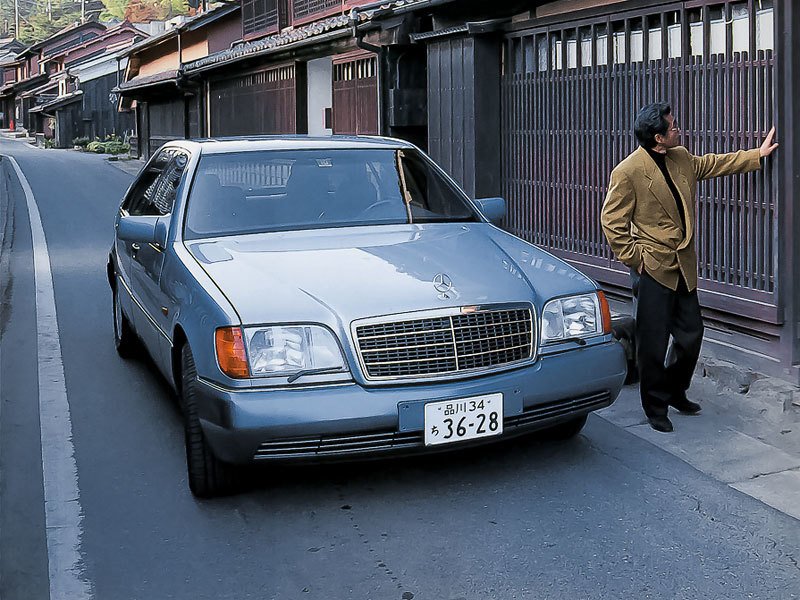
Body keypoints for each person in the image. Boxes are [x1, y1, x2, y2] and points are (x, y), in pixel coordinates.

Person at [600, 102, 778, 432]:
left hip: (682, 263)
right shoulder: (628, 171)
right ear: (658, 137)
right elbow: (612, 221)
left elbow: (712, 164)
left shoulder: (679, 156)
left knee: (691, 334)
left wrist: (757, 155)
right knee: (652, 343)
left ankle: (674, 390)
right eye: (672, 127)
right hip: (653, 266)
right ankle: (655, 407)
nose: (678, 129)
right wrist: (637, 259)